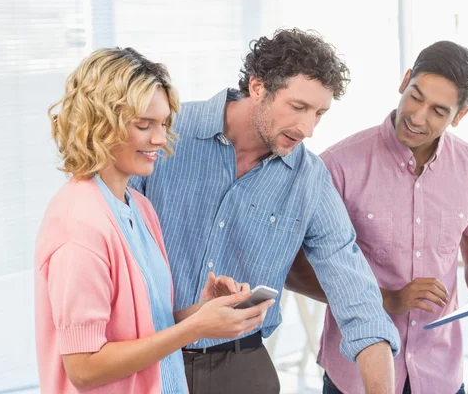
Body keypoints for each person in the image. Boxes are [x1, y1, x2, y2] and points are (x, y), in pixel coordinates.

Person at [129, 28, 400, 394]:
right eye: (298, 107)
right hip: (149, 358)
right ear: (257, 87)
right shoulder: (169, 134)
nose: (308, 128)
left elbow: (358, 298)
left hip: (241, 368)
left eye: (319, 113)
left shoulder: (309, 180)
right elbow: (112, 240)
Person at [35, 47, 273, 394]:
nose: (160, 139)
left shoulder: (139, 207)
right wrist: (193, 330)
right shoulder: (78, 228)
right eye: (143, 125)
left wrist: (200, 313)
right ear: (100, 125)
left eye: (163, 123)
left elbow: (144, 331)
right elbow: (84, 368)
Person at [285, 40, 468, 394]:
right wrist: (385, 299)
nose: (418, 117)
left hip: (441, 376)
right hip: (356, 376)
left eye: (439, 111)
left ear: (460, 116)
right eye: (416, 96)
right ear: (405, 81)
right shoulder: (339, 166)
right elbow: (293, 268)